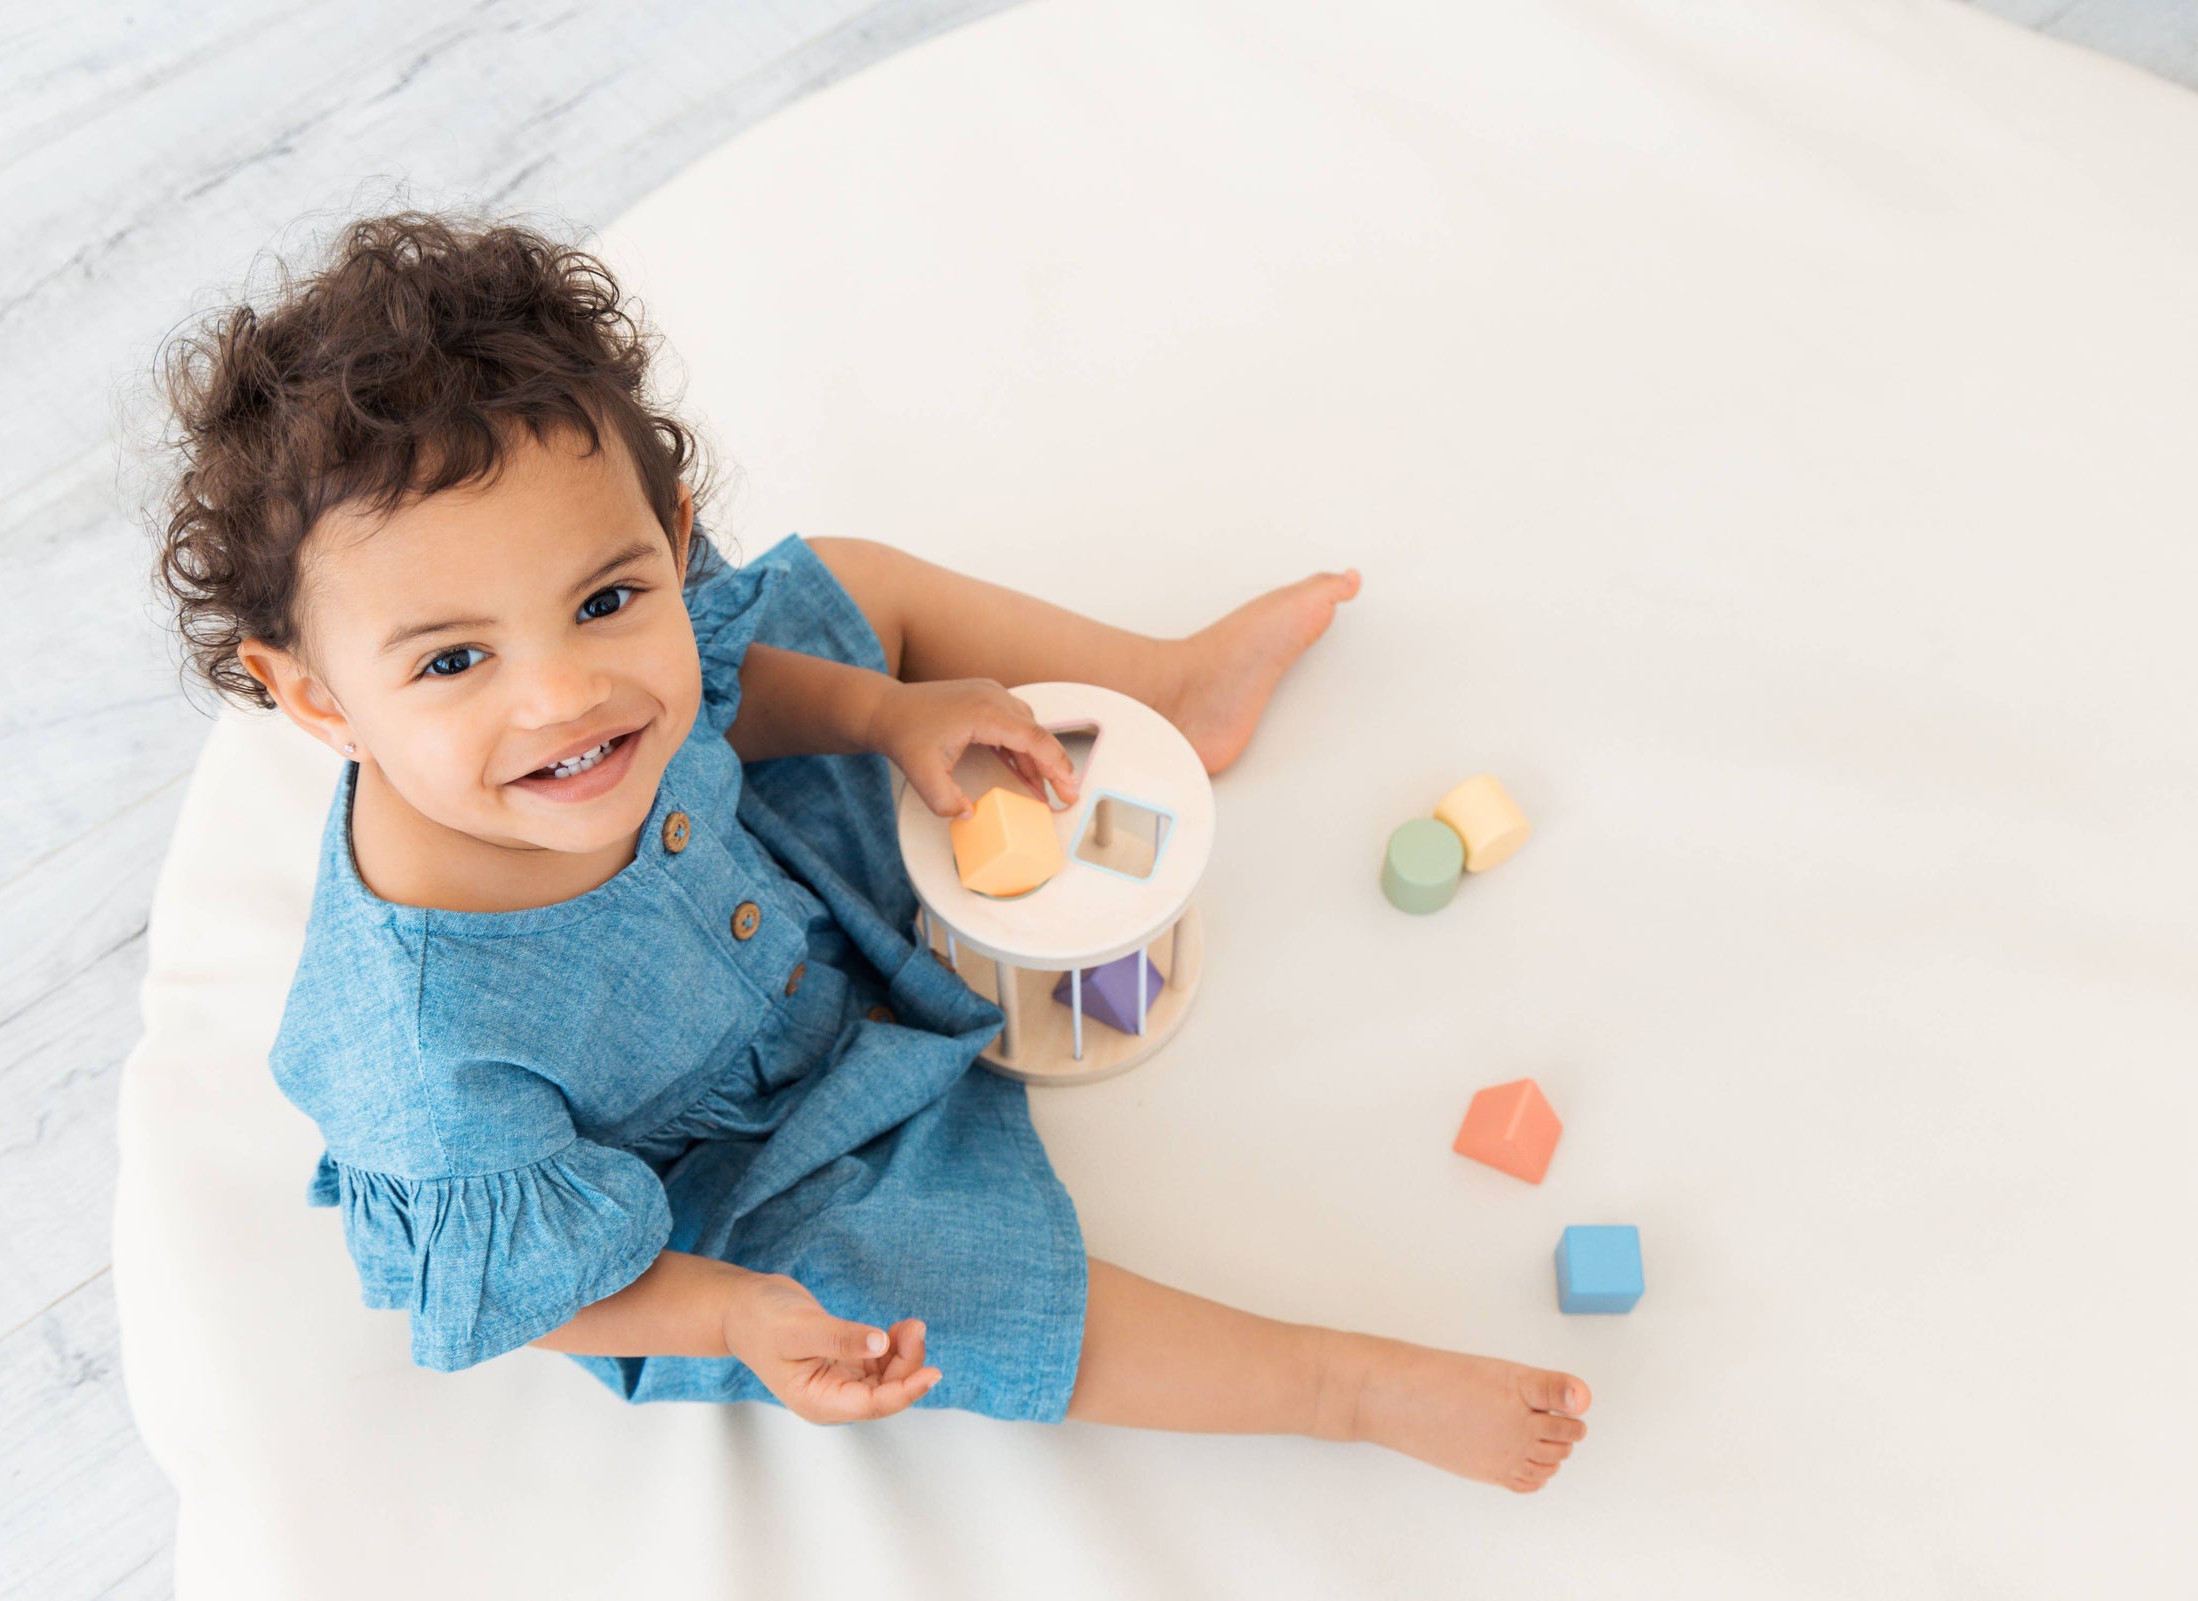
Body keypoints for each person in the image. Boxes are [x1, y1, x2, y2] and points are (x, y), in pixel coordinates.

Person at [149, 209, 1589, 1493]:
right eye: (456, 657)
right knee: (922, 1291)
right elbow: (545, 1289)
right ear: (320, 698)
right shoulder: (431, 1044)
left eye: (605, 598)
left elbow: (718, 700)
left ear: (671, 531)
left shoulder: (612, 714)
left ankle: (1174, 683)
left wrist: (884, 712)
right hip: (729, 1151)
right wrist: (727, 1315)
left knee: (856, 586)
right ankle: (1341, 1387)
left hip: (774, 870)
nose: (566, 696)